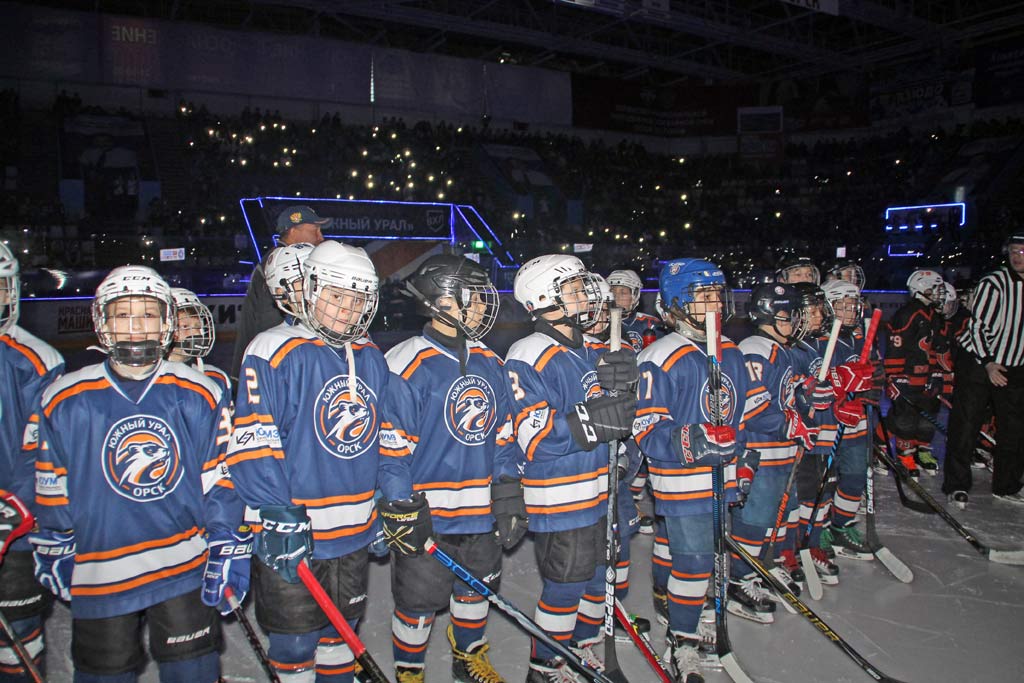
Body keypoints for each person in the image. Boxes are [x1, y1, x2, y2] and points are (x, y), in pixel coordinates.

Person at [30, 265, 244, 682]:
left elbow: (219, 476)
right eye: (121, 314)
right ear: (102, 323)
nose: (134, 326)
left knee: (193, 672)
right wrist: (55, 538)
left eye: (146, 314)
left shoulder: (199, 391)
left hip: (183, 565)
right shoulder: (65, 398)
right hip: (101, 571)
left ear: (166, 323)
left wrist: (225, 539)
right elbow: (52, 482)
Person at [226, 241, 393, 682]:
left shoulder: (372, 356)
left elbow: (377, 441)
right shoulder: (272, 349)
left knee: (341, 639)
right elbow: (255, 442)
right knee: (295, 642)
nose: (346, 310)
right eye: (337, 296)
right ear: (309, 291)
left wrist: (380, 502)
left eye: (357, 300)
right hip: (297, 531)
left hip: (352, 532)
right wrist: (278, 514)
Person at [378, 255, 525, 683]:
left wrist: (506, 489)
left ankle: (468, 660)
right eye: (473, 297)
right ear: (442, 301)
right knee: (417, 602)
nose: (482, 306)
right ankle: (410, 671)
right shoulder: (405, 363)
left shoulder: (490, 362)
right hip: (428, 515)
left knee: (476, 591)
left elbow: (502, 436)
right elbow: (392, 450)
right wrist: (401, 506)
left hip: (478, 512)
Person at [633, 258, 769, 682]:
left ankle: (690, 615)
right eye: (701, 296)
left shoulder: (729, 350)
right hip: (681, 480)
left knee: (706, 558)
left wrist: (744, 460)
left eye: (716, 295)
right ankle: (682, 640)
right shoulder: (660, 356)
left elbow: (741, 418)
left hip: (722, 479)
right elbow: (647, 427)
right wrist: (691, 440)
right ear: (675, 304)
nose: (712, 304)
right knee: (692, 562)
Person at [504, 255, 636, 682]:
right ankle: (545, 667)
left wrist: (623, 406)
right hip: (563, 494)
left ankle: (579, 651)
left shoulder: (592, 349)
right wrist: (598, 417)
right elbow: (535, 438)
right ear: (543, 299)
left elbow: (617, 422)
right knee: (566, 583)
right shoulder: (528, 353)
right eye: (574, 289)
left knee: (599, 579)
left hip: (600, 488)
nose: (587, 295)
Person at [732, 283, 822, 620]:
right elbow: (753, 403)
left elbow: (787, 396)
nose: (797, 320)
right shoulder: (756, 348)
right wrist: (787, 423)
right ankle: (739, 581)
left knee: (779, 516)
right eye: (791, 314)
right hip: (760, 450)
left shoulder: (781, 349)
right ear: (773, 314)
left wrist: (808, 400)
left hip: (781, 451)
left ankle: (763, 567)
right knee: (755, 519)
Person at [0, 243, 64, 680]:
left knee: (18, 639)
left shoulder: (37, 362)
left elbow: (39, 452)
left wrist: (13, 507)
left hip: (15, 532)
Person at [943, 233, 1024, 507]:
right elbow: (977, 328)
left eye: (1022, 252)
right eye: (1014, 251)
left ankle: (1007, 484)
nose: (1017, 257)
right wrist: (988, 363)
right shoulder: (995, 283)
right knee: (966, 424)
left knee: (1014, 428)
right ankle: (956, 484)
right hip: (979, 361)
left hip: (1014, 364)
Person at [229, 205, 327, 383]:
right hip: (281, 364)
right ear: (293, 231)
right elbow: (268, 321)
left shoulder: (273, 261)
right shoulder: (283, 266)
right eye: (315, 230)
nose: (321, 237)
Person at [818, 280, 876, 561]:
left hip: (857, 423)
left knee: (854, 477)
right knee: (825, 480)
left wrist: (871, 388)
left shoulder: (860, 338)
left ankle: (842, 524)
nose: (851, 309)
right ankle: (822, 528)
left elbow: (875, 376)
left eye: (854, 303)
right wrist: (838, 398)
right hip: (829, 424)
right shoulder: (820, 342)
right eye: (843, 304)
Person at [884, 269, 946, 477]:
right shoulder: (908, 314)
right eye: (934, 288)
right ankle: (905, 455)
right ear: (922, 288)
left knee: (926, 418)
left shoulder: (933, 315)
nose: (938, 293)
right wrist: (894, 376)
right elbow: (895, 346)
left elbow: (937, 348)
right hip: (908, 378)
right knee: (905, 419)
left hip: (926, 379)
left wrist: (938, 373)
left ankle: (922, 451)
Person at [168, 288, 230, 394]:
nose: (196, 334)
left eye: (198, 326)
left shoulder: (216, 377)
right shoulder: (147, 380)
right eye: (185, 326)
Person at [606, 269, 662, 352]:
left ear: (634, 296)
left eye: (623, 293)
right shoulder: (601, 324)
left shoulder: (650, 324)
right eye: (612, 292)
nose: (616, 297)